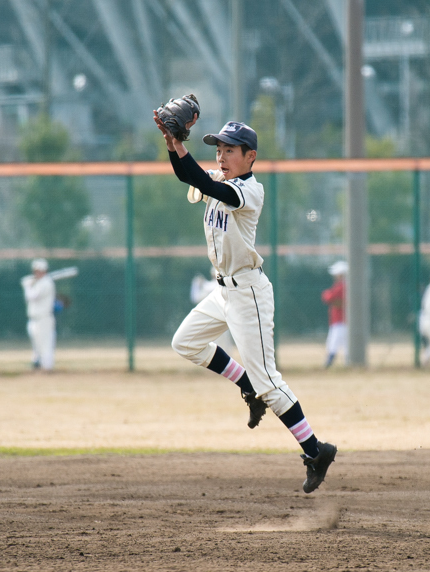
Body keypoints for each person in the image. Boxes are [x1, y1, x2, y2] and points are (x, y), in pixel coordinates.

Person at [155, 108, 337, 493]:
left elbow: (197, 179)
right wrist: (173, 144)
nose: (222, 155)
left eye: (231, 149)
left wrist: (179, 150)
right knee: (185, 342)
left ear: (250, 156)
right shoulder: (220, 177)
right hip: (222, 291)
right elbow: (188, 175)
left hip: (248, 294)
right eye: (219, 148)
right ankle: (247, 387)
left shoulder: (249, 190)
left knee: (270, 381)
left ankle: (316, 450)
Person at [21, 258, 56, 371]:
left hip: (44, 319)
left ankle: (47, 368)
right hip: (34, 319)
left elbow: (32, 296)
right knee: (37, 346)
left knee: (45, 345)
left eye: (40, 270)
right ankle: (38, 365)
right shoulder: (39, 283)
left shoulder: (46, 283)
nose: (37, 273)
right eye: (36, 270)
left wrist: (27, 286)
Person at [321, 260, 347, 368]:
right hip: (339, 320)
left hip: (340, 320)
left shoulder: (342, 286)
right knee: (343, 344)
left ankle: (328, 364)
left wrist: (328, 295)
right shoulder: (342, 285)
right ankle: (348, 364)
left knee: (334, 343)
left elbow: (328, 296)